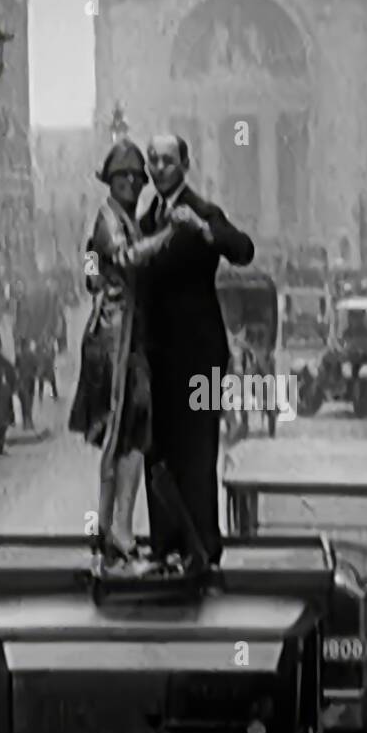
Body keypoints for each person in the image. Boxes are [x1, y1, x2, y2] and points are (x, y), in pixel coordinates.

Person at [139, 132, 255, 570]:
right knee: (159, 453)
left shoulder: (203, 211)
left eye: (168, 159)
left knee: (198, 451)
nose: (159, 167)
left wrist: (204, 231)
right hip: (158, 359)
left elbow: (243, 249)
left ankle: (203, 549)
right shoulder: (146, 219)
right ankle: (166, 547)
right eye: (154, 160)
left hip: (201, 358)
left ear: (185, 165)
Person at [68, 138, 177, 566]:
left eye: (136, 177)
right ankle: (114, 529)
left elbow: (92, 268)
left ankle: (116, 529)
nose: (131, 182)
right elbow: (126, 257)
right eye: (123, 176)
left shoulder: (124, 218)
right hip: (115, 338)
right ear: (110, 181)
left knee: (133, 433)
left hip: (129, 335)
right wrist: (168, 236)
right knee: (122, 431)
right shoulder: (109, 219)